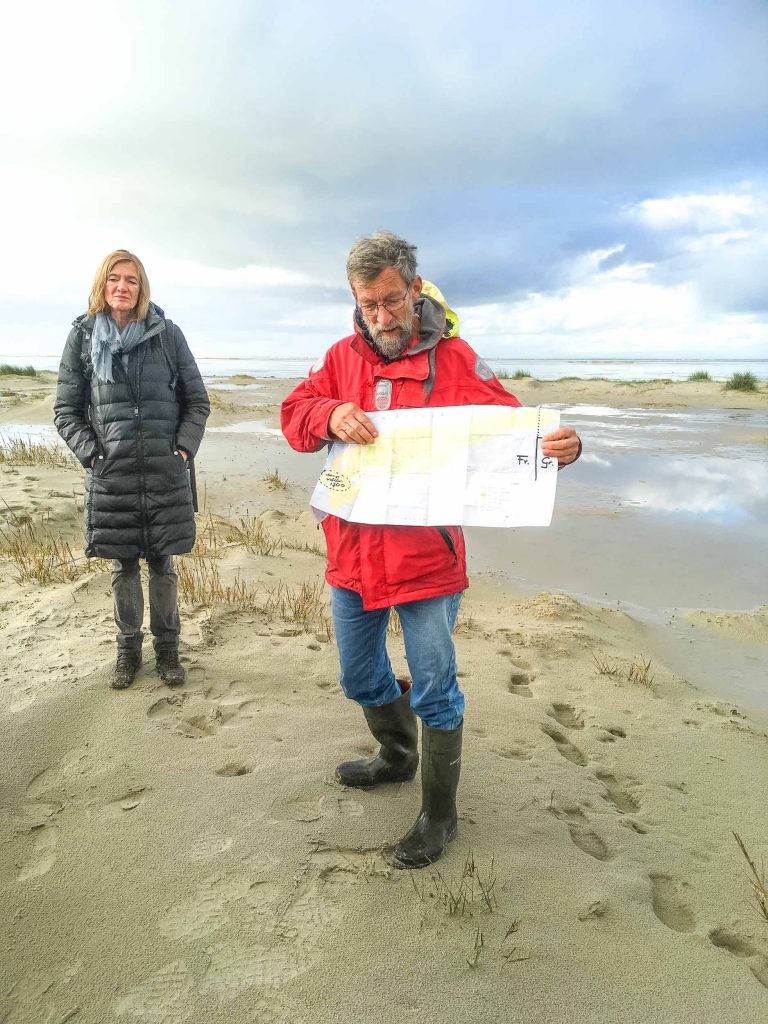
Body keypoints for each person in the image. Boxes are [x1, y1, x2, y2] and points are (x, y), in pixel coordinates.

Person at [281, 231, 581, 868]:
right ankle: (397, 755)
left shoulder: (456, 358)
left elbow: (514, 432)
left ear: (414, 290)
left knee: (437, 690)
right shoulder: (340, 357)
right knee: (359, 676)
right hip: (353, 556)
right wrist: (330, 413)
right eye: (368, 305)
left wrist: (559, 449)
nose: (381, 318)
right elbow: (295, 413)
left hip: (429, 563)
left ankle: (439, 816)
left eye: (391, 301)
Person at [54, 249, 210, 690]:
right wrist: (93, 456)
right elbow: (66, 410)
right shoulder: (83, 337)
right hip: (113, 477)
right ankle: (127, 652)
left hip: (165, 472)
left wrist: (181, 450)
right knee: (123, 568)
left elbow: (197, 401)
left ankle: (168, 652)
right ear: (102, 285)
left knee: (163, 565)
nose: (123, 287)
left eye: (132, 280)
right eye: (115, 279)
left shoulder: (167, 334)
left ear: (142, 288)